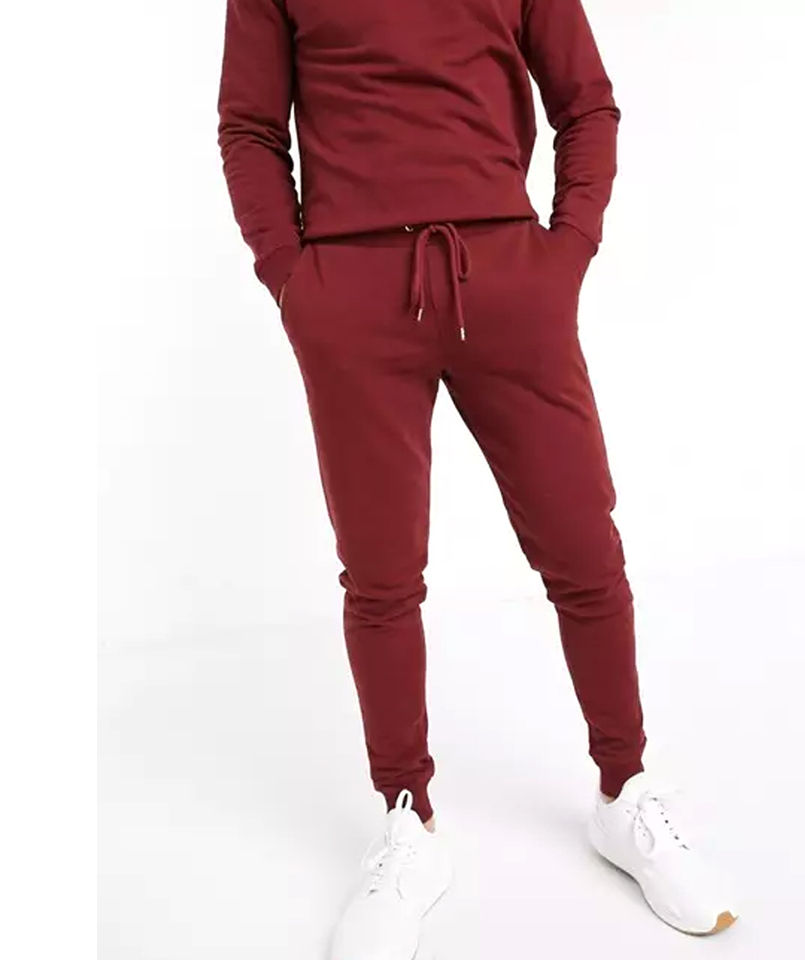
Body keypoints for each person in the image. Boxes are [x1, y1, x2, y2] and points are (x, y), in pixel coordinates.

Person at [217, 1, 736, 955]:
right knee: (380, 575)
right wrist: (291, 277)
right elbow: (249, 127)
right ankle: (407, 821)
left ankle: (624, 790)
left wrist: (567, 249)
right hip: (353, 295)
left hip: (507, 277)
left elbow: (588, 103)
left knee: (583, 546)